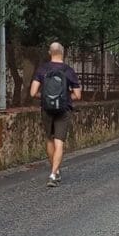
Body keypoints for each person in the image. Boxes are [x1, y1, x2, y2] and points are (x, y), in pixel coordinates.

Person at [29, 42, 82, 187]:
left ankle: (55, 170)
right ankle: (53, 174)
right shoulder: (68, 71)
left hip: (46, 109)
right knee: (60, 142)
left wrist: (46, 97)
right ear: (63, 52)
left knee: (50, 139)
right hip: (63, 109)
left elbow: (33, 93)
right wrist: (64, 95)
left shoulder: (42, 69)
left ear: (49, 52)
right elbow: (78, 95)